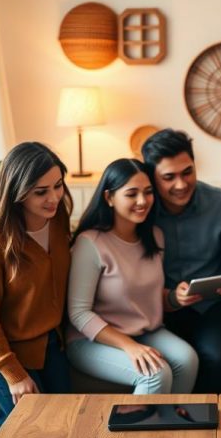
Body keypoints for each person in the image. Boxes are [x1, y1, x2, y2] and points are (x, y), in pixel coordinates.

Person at [66, 158, 198, 394]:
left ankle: (172, 426)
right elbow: (78, 313)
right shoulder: (90, 243)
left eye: (148, 192)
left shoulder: (155, 236)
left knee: (187, 360)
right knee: (155, 373)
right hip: (90, 340)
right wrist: (129, 346)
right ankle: (141, 431)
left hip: (145, 331)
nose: (142, 201)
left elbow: (147, 295)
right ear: (109, 197)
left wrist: (175, 298)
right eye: (131, 194)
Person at [0, 141, 73, 430]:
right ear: (17, 191)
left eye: (58, 185)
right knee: (38, 431)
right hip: (5, 351)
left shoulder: (59, 220)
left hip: (50, 344)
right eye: (41, 192)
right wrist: (13, 374)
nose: (54, 197)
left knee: (66, 422)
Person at [142, 129, 221, 393]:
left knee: (215, 357)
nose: (181, 184)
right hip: (156, 307)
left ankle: (204, 419)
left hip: (211, 306)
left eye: (187, 172)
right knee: (163, 363)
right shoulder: (141, 208)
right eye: (168, 177)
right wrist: (169, 297)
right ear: (151, 177)